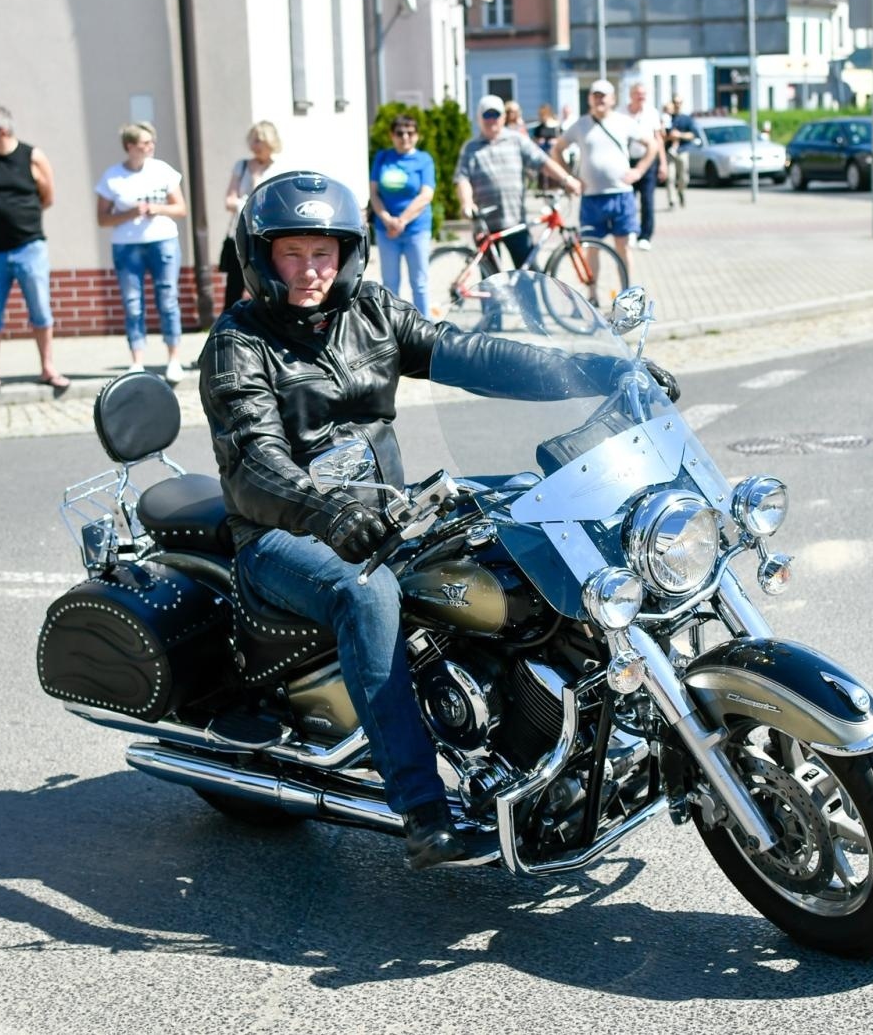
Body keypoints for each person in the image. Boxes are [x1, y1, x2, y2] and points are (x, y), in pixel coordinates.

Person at [196, 170, 680, 870]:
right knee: (366, 593)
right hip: (282, 532)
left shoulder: (370, 311)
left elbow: (470, 353)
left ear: (348, 253)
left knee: (529, 500)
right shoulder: (238, 343)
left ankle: (575, 718)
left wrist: (593, 372)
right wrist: (325, 511)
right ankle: (422, 807)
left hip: (385, 510)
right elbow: (253, 462)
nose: (310, 271)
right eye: (292, 255)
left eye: (323, 254)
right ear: (262, 257)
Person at [0, 105, 68, 396]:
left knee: (40, 310)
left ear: (4, 131)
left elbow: (47, 196)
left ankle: (48, 367)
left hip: (29, 246)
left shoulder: (32, 155)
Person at [96, 121, 189, 381]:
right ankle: (137, 361)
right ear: (130, 146)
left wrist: (156, 209)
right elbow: (102, 219)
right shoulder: (112, 176)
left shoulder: (163, 171)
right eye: (144, 143)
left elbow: (181, 209)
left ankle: (174, 359)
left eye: (152, 141)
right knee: (133, 303)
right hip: (127, 245)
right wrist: (128, 213)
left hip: (163, 240)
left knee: (168, 298)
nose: (151, 146)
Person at [453, 94, 580, 273]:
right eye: (487, 115)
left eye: (495, 115)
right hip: (485, 223)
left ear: (503, 117)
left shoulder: (517, 140)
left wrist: (567, 179)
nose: (492, 120)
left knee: (530, 276)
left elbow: (543, 161)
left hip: (515, 221)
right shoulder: (470, 148)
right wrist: (467, 203)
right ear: (479, 118)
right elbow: (462, 178)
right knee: (491, 283)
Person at [555, 80, 658, 293]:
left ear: (612, 99)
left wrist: (638, 171)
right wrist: (571, 177)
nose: (599, 99)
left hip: (620, 195)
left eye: (604, 96)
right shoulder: (581, 125)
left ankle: (627, 296)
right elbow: (557, 150)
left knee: (623, 246)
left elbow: (652, 146)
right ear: (590, 99)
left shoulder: (624, 122)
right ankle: (592, 295)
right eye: (595, 95)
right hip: (592, 198)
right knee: (592, 248)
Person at [369, 114, 436, 317]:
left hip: (416, 229)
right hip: (386, 230)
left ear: (417, 135)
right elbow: (374, 192)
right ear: (392, 135)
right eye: (400, 133)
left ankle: (425, 327)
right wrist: (387, 219)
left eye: (410, 133)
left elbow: (426, 195)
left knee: (419, 282)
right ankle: (393, 327)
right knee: (389, 284)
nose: (405, 137)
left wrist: (402, 221)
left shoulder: (424, 160)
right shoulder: (382, 157)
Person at [220, 121, 284, 312]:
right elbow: (229, 201)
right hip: (240, 233)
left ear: (270, 143)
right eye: (253, 141)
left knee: (267, 284)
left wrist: (254, 184)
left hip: (265, 235)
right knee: (234, 286)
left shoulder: (278, 168)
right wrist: (248, 203)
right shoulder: (241, 166)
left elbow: (273, 203)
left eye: (259, 141)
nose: (255, 146)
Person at [623, 82, 667, 250]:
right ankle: (631, 232)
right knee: (628, 200)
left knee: (647, 200)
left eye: (643, 94)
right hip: (628, 162)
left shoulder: (651, 113)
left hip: (648, 161)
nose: (641, 97)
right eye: (638, 94)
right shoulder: (621, 112)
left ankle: (646, 236)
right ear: (631, 95)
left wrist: (662, 163)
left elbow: (658, 139)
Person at [663, 96, 699, 210]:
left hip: (682, 150)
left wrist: (680, 135)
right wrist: (669, 136)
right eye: (675, 102)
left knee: (683, 177)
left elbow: (693, 135)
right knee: (670, 177)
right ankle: (672, 201)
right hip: (669, 152)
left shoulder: (687, 119)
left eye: (679, 102)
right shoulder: (667, 118)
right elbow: (661, 135)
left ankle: (681, 192)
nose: (677, 105)